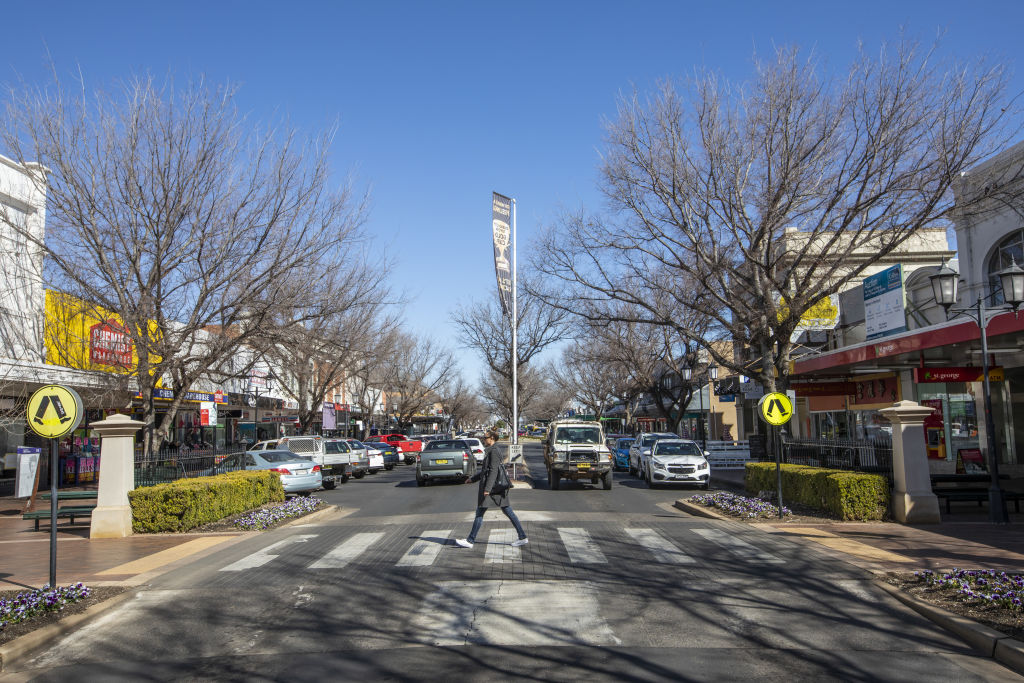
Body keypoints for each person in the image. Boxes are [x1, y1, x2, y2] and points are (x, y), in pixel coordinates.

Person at [455, 429, 528, 549]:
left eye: (486, 437)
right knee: (507, 510)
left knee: (480, 512)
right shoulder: (492, 450)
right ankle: (522, 537)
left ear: (492, 438)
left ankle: (470, 540)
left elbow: (493, 471)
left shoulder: (494, 451)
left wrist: (487, 489)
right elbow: (486, 471)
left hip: (493, 488)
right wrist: (473, 479)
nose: (484, 439)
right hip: (496, 488)